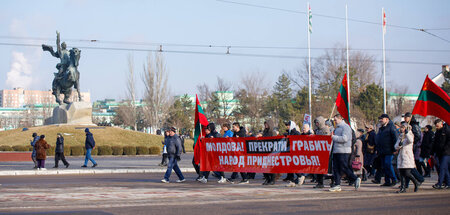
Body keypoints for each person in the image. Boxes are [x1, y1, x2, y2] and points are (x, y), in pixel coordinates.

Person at [329, 114, 361, 192]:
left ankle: (355, 178)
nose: (335, 121)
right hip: (337, 151)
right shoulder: (337, 128)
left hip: (343, 151)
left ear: (340, 119)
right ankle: (337, 184)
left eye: (335, 120)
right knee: (336, 168)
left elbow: (345, 138)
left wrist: (333, 137)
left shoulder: (345, 127)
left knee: (344, 167)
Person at [395, 122, 420, 193]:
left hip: (407, 156)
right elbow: (396, 146)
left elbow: (410, 141)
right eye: (401, 127)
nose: (401, 129)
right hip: (401, 156)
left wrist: (407, 133)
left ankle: (416, 182)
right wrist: (399, 145)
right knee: (401, 173)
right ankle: (402, 188)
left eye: (403, 128)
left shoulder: (410, 134)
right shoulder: (400, 136)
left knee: (407, 173)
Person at [375, 114, 399, 187]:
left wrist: (395, 148)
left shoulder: (391, 127)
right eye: (380, 119)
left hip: (389, 150)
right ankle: (387, 181)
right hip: (382, 150)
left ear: (387, 119)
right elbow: (378, 139)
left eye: (382, 119)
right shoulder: (381, 128)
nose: (380, 120)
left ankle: (394, 179)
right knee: (384, 166)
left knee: (388, 164)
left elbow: (395, 138)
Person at [313, 116, 331, 188]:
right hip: (318, 151)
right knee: (318, 168)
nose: (316, 124)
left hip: (324, 152)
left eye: (317, 122)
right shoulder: (317, 130)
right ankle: (320, 182)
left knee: (327, 169)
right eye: (316, 123)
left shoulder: (325, 129)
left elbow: (327, 139)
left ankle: (331, 181)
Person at [432, 119, 450, 189]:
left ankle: (440, 183)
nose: (436, 127)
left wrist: (445, 148)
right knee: (445, 169)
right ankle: (448, 183)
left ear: (441, 124)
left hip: (446, 152)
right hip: (439, 153)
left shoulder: (447, 130)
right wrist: (432, 152)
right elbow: (435, 143)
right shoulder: (437, 132)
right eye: (436, 126)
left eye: (437, 126)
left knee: (442, 167)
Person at [262, 119, 276, 185]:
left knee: (271, 166)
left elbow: (275, 141)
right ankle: (267, 179)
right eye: (265, 124)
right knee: (263, 166)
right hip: (265, 151)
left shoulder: (273, 132)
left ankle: (272, 180)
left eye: (267, 124)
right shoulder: (264, 132)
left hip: (271, 151)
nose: (265, 125)